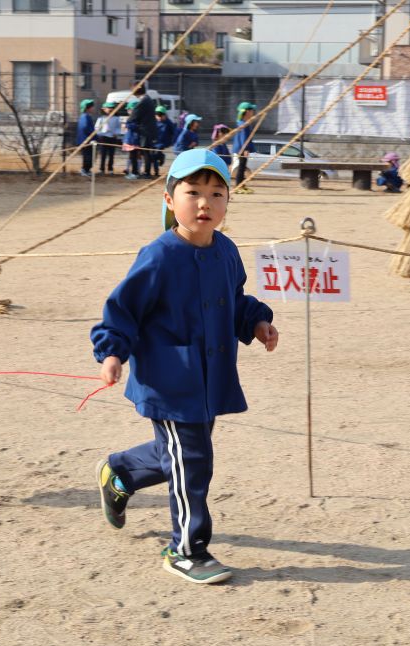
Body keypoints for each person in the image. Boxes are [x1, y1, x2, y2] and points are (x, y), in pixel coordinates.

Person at [91, 148, 279, 584]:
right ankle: (187, 550)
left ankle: (120, 472)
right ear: (169, 199)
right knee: (193, 461)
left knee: (178, 455)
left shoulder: (226, 251)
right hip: (169, 380)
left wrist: (256, 322)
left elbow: (234, 301)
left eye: (216, 194)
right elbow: (123, 310)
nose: (204, 203)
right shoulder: (159, 256)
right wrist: (113, 352)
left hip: (211, 379)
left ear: (228, 202)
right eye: (192, 192)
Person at [129, 83, 158, 179]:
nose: (132, 91)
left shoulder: (143, 101)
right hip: (148, 130)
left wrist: (130, 121)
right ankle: (146, 172)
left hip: (145, 131)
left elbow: (134, 116)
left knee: (146, 152)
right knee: (146, 152)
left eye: (133, 88)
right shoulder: (148, 99)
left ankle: (146, 173)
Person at [232, 101, 257, 194]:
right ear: (247, 111)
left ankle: (241, 184)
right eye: (252, 110)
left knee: (242, 167)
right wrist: (245, 149)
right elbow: (243, 138)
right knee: (241, 167)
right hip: (242, 149)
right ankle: (238, 186)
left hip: (241, 148)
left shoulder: (243, 122)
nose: (253, 112)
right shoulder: (243, 124)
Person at [95, 101, 122, 174]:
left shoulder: (116, 118)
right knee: (103, 154)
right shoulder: (101, 118)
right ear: (104, 109)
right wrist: (101, 133)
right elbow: (96, 128)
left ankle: (110, 169)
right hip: (103, 138)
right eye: (108, 108)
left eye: (112, 108)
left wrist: (116, 133)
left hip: (112, 138)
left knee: (111, 154)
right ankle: (101, 169)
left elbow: (118, 128)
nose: (110, 109)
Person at [152, 105, 176, 178]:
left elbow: (174, 132)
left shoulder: (168, 122)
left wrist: (172, 140)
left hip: (163, 142)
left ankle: (161, 157)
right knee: (153, 157)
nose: (159, 117)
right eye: (157, 115)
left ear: (164, 115)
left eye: (161, 115)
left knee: (156, 155)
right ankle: (156, 171)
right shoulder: (154, 122)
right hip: (154, 142)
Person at [76, 98, 96, 177]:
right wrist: (92, 135)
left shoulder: (87, 116)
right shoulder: (85, 117)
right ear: (87, 108)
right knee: (88, 157)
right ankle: (84, 170)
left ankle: (87, 170)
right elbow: (84, 127)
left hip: (87, 140)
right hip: (86, 140)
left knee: (90, 156)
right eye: (91, 107)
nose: (93, 108)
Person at [122, 100, 142, 179]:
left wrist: (127, 125)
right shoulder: (133, 118)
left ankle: (135, 173)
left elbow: (136, 127)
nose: (128, 111)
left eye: (129, 109)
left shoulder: (136, 118)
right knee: (132, 157)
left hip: (134, 141)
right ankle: (131, 171)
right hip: (130, 140)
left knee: (135, 157)